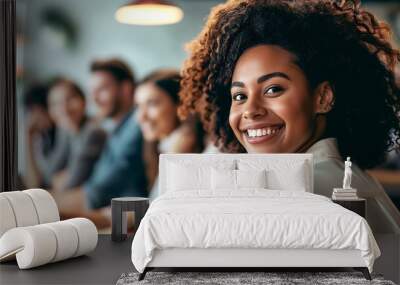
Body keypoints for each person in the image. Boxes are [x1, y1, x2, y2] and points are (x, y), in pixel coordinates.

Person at [178, 0, 400, 234]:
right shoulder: (345, 177)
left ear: (322, 98)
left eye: (273, 89)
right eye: (240, 95)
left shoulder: (297, 190)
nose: (250, 110)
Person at [52, 59, 147, 220]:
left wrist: (40, 206)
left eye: (102, 89)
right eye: (92, 92)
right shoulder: (115, 130)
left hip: (125, 223)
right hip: (105, 214)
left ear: (125, 89)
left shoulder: (136, 126)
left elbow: (96, 192)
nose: (94, 99)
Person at [135, 70, 205, 197]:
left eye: (151, 104)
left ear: (180, 104)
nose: (141, 117)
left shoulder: (189, 151)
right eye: (138, 106)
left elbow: (157, 208)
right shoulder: (161, 146)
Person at [46, 78, 107, 190]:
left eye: (70, 99)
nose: (63, 108)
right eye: (55, 103)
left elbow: (72, 184)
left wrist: (65, 175)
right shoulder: (66, 130)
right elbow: (49, 174)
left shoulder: (93, 132)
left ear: (83, 101)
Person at [24, 83, 69, 188]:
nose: (33, 117)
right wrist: (28, 139)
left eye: (37, 111)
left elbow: (48, 176)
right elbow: (33, 183)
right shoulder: (43, 136)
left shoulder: (64, 131)